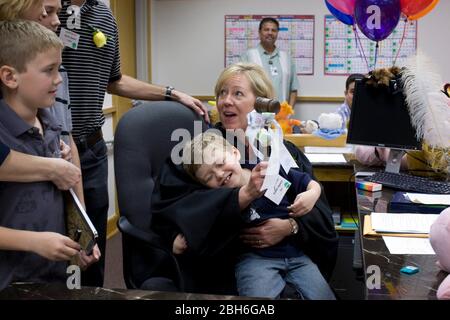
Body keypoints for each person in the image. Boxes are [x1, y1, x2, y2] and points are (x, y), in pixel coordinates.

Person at [152, 62, 338, 295]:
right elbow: (176, 206)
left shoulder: (282, 150)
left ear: (260, 104)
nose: (225, 101)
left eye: (237, 93)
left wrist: (291, 226)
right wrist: (239, 198)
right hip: (226, 266)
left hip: (292, 254)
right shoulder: (201, 153)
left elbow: (316, 206)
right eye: (222, 93)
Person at [58, 0, 209, 287]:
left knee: (92, 244)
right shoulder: (47, 12)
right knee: (61, 246)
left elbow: (115, 81)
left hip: (92, 149)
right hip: (55, 149)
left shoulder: (103, 15)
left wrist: (171, 93)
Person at [172, 131, 335, 299]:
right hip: (255, 261)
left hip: (297, 255)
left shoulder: (268, 169)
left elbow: (307, 181)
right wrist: (181, 238)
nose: (219, 174)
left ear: (235, 153)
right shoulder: (220, 201)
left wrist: (313, 193)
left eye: (220, 163)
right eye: (209, 177)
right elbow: (202, 221)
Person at [0, 20, 97, 290]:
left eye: (59, 68)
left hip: (54, 276)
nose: (58, 79)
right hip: (11, 282)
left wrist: (77, 240)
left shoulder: (51, 122)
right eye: (49, 70)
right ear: (10, 77)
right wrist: (35, 242)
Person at [240, 17, 299, 106]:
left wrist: (288, 112)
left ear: (277, 33)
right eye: (266, 30)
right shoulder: (248, 56)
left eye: (274, 30)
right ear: (259, 32)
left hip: (281, 114)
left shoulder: (286, 58)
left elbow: (293, 89)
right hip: (255, 113)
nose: (270, 33)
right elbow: (240, 86)